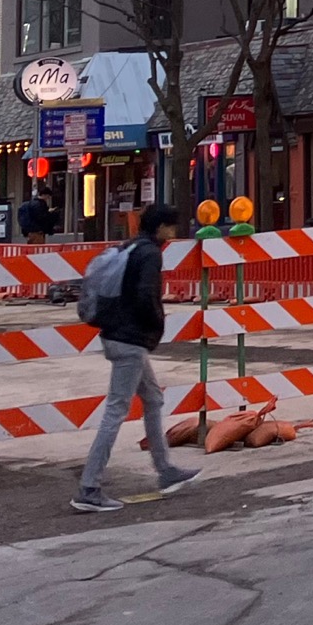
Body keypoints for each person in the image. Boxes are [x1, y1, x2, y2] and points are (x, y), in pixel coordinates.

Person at [73, 202, 200, 514]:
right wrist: (156, 324)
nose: (174, 232)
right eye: (171, 227)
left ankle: (165, 470)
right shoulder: (150, 254)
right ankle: (89, 487)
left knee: (153, 399)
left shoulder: (130, 247)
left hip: (117, 335)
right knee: (115, 411)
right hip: (130, 342)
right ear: (160, 228)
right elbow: (146, 296)